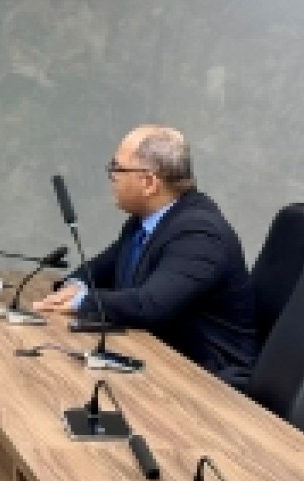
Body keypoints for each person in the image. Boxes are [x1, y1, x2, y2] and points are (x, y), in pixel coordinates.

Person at [33, 125, 258, 377]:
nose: (112, 177)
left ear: (149, 182)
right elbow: (100, 268)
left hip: (206, 379)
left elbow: (150, 305)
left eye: (117, 168)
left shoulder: (200, 233)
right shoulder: (147, 219)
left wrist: (81, 301)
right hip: (157, 357)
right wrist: (76, 285)